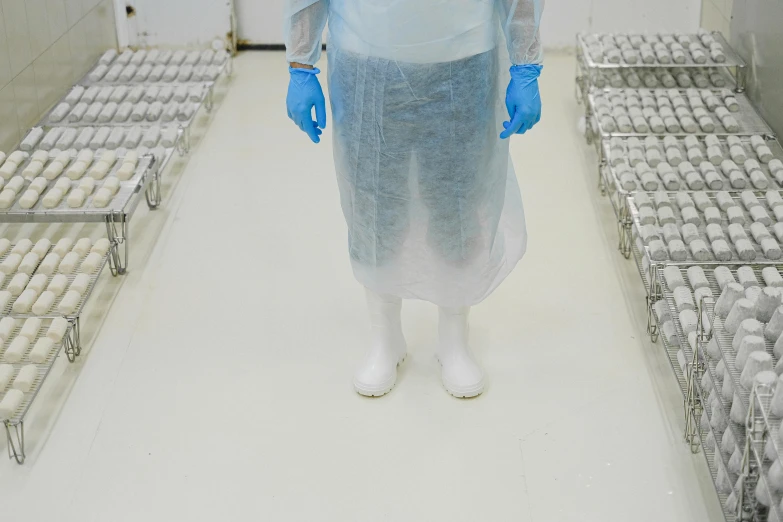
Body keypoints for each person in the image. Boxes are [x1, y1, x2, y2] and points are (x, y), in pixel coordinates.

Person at [284, 0, 544, 398]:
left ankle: (453, 338)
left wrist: (525, 63)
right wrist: (300, 64)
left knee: (456, 201)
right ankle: (385, 337)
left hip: (464, 53)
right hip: (366, 55)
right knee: (374, 203)